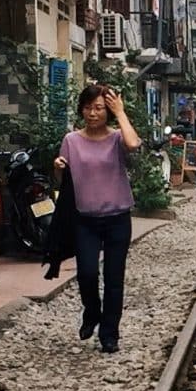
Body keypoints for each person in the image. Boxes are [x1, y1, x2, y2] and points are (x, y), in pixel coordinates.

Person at [56, 83, 139, 353]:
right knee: (87, 273)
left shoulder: (117, 138)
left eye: (100, 108)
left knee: (114, 278)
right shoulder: (71, 140)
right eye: (89, 108)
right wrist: (57, 167)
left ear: (108, 111)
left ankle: (109, 334)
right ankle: (92, 311)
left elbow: (133, 144)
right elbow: (62, 178)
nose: (93, 113)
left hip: (117, 217)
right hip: (85, 219)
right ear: (82, 109)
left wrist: (121, 113)